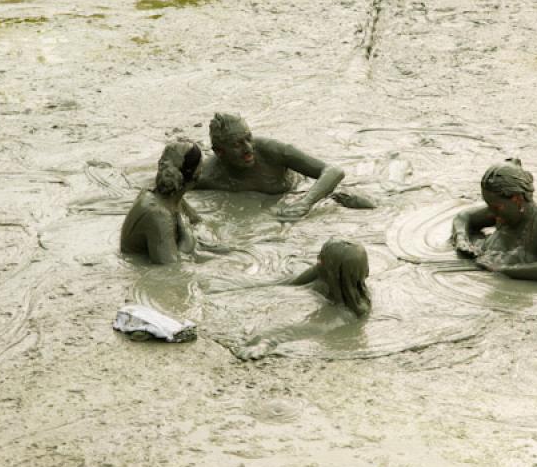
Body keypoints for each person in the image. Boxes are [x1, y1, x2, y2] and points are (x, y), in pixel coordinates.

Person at [234, 238, 371, 360]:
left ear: (332, 270)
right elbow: (287, 283)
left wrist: (267, 340)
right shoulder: (330, 274)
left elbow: (314, 328)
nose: (318, 260)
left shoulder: (351, 310)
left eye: (321, 259)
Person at [195, 112, 345, 219]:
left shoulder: (272, 151)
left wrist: (305, 203)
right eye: (237, 144)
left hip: (297, 189)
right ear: (219, 152)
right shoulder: (207, 175)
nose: (248, 148)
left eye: (249, 138)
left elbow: (334, 171)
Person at [451, 158, 537, 281]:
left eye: (495, 207)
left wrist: (501, 270)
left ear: (516, 199)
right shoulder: (502, 209)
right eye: (488, 205)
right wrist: (461, 238)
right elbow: (463, 216)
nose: (490, 213)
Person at [120, 141, 203, 264]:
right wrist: (187, 241)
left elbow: (198, 221)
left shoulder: (172, 196)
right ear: (195, 177)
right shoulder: (158, 215)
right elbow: (171, 270)